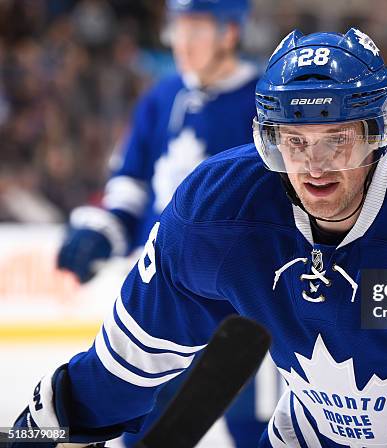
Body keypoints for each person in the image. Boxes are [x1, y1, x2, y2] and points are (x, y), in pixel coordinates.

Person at [12, 28, 387, 447]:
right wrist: (33, 430)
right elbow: (121, 370)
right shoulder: (215, 217)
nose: (314, 166)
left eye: (338, 140)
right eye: (292, 142)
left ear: (378, 133)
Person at [55, 0, 276, 446]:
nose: (183, 43)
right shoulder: (160, 98)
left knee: (261, 434)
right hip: (162, 300)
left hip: (241, 308)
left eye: (197, 30)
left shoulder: (265, 102)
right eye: (178, 29)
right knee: (144, 433)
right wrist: (102, 232)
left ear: (230, 34)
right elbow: (131, 186)